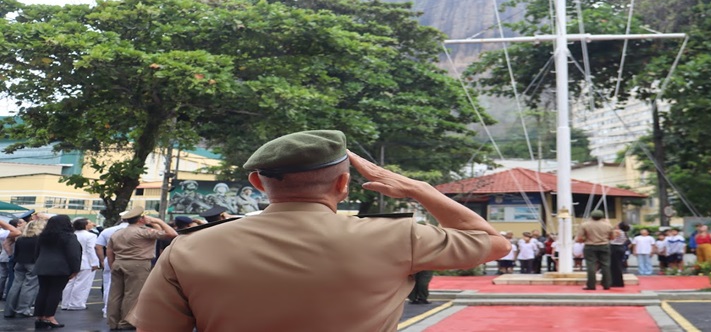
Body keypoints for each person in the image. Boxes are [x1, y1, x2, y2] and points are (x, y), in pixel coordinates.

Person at [128, 130, 508, 331]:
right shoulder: (398, 237)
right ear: (343, 184)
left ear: (258, 183)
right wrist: (418, 189)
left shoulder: (190, 247)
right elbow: (493, 243)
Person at [106, 206, 178, 330]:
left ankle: (113, 321)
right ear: (141, 219)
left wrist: (112, 264)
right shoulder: (143, 232)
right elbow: (172, 234)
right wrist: (158, 221)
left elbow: (110, 250)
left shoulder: (117, 233)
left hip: (119, 262)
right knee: (132, 294)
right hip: (138, 264)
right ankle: (126, 322)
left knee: (115, 294)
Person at [32, 215, 82, 329]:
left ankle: (39, 317)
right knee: (55, 292)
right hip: (60, 268)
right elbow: (74, 255)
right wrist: (75, 269)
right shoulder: (69, 237)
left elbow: (37, 252)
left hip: (42, 266)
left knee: (43, 291)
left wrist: (38, 263)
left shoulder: (42, 236)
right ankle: (49, 317)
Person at [3, 219, 44, 319]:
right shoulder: (40, 239)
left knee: (16, 285)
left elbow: (16, 252)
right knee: (29, 286)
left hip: (20, 262)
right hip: (33, 263)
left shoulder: (21, 238)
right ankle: (23, 310)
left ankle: (9, 310)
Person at [60, 218, 100, 311]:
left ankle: (65, 303)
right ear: (85, 225)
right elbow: (90, 250)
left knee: (70, 283)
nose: (92, 224)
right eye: (89, 222)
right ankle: (76, 304)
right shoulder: (91, 236)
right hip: (86, 261)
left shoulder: (71, 235)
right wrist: (94, 263)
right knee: (82, 284)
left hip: (71, 261)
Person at [95, 219, 128, 318]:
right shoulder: (140, 230)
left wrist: (101, 260)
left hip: (110, 258)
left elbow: (98, 246)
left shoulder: (108, 230)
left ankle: (107, 309)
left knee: (108, 285)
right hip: (132, 260)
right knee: (130, 287)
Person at [578, 210, 614, 290]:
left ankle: (591, 285)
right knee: (606, 265)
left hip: (590, 246)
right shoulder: (608, 225)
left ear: (591, 216)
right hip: (604, 245)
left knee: (591, 266)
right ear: (602, 217)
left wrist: (585, 239)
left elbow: (580, 238)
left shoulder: (585, 225)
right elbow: (612, 237)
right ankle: (607, 284)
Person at [0, 218, 22, 301]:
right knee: (9, 277)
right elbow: (17, 232)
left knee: (3, 276)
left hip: (3, 256)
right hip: (7, 256)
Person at [609, 221, 630, 287]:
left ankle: (616, 282)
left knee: (614, 266)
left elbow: (611, 237)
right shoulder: (624, 233)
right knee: (617, 265)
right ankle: (617, 281)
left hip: (615, 247)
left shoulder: (618, 232)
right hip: (620, 247)